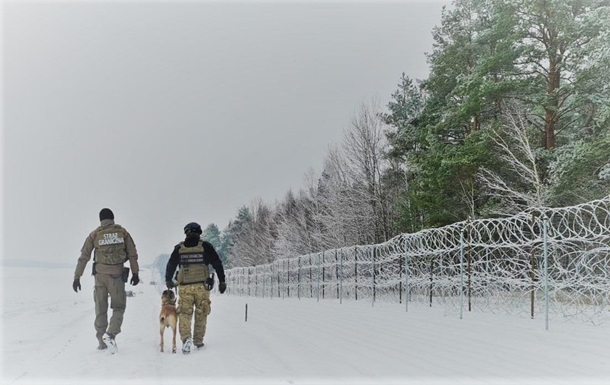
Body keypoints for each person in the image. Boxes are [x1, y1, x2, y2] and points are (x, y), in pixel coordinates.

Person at [72, 208, 140, 353]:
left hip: (100, 277)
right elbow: (133, 255)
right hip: (117, 276)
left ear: (100, 220)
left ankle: (101, 342)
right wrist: (135, 273)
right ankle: (111, 334)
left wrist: (77, 277)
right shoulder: (123, 233)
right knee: (119, 307)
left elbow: (84, 256)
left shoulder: (95, 234)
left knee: (100, 309)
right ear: (113, 218)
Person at [165, 222, 226, 354]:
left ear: (186, 232)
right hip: (202, 287)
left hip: (185, 288)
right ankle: (198, 341)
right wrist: (222, 281)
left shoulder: (179, 248)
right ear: (199, 232)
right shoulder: (205, 247)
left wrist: (168, 280)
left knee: (185, 314)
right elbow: (217, 263)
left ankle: (186, 339)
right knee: (201, 313)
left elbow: (171, 264)